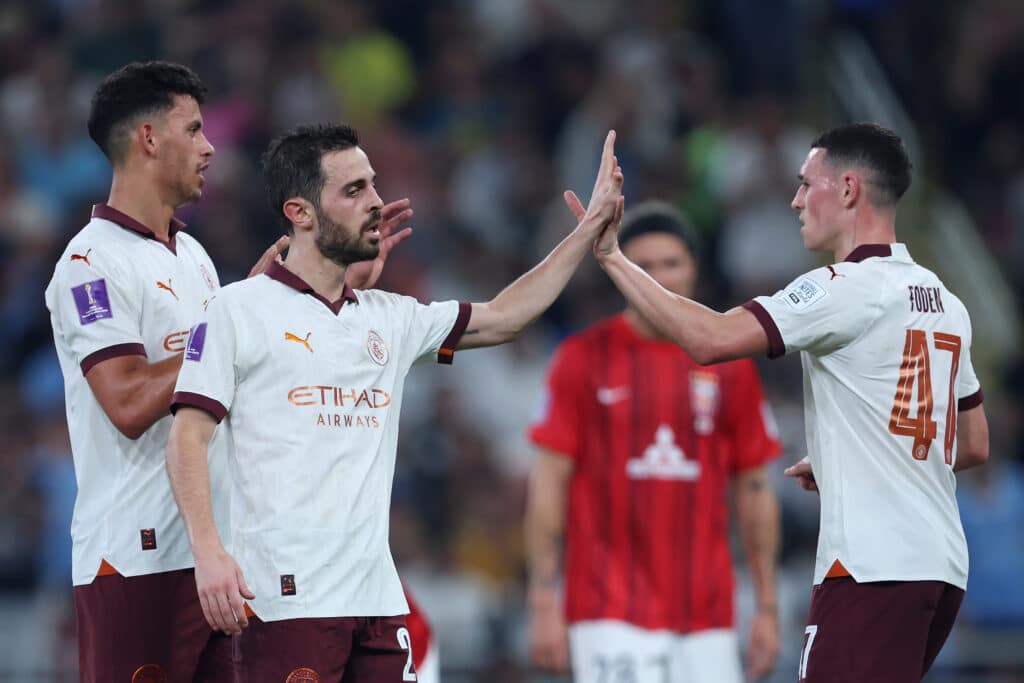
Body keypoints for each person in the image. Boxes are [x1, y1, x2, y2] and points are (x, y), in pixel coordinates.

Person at [164, 123, 624, 680]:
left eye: (373, 185)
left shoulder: (390, 317)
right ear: (300, 212)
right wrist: (208, 553)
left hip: (377, 601)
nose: (377, 203)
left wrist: (589, 230)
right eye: (354, 190)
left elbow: (506, 316)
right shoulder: (236, 310)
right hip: (281, 602)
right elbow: (187, 436)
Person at [43, 61, 411, 682]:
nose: (210, 147)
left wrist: (318, 299)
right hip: (138, 558)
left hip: (222, 560)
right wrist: (242, 314)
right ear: (149, 139)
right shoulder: (90, 263)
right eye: (194, 130)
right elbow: (128, 402)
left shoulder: (194, 256)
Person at [591, 122, 990, 682]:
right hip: (941, 567)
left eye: (807, 183)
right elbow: (972, 443)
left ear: (848, 189)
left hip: (872, 568)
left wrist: (611, 255)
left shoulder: (843, 287)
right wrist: (856, 455)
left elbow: (710, 339)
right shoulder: (946, 301)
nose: (795, 199)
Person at [525, 200, 783, 683]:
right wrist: (542, 598)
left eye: (671, 264)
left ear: (695, 270)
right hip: (608, 609)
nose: (659, 278)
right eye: (642, 267)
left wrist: (767, 607)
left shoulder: (731, 367)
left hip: (707, 613)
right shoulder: (581, 358)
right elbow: (548, 483)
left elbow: (754, 489)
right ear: (620, 275)